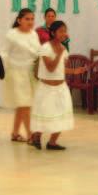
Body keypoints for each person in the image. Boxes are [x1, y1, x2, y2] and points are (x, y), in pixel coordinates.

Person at [30, 21, 75, 150]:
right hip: (46, 88)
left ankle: (52, 142)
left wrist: (75, 71)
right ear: (53, 32)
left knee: (61, 115)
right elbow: (50, 68)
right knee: (45, 114)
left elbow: (61, 69)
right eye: (61, 31)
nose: (64, 34)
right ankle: (36, 137)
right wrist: (59, 53)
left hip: (61, 88)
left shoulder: (63, 49)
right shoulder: (45, 48)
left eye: (65, 31)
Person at [0, 8, 40, 143]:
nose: (30, 21)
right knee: (24, 104)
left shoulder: (34, 34)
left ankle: (15, 133)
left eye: (32, 19)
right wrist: (1, 68)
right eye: (27, 19)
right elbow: (4, 53)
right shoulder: (12, 34)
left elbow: (37, 52)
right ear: (19, 20)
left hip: (30, 73)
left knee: (23, 105)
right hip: (16, 73)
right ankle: (30, 135)